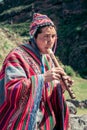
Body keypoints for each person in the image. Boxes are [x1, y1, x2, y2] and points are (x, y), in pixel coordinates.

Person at [0, 13, 72, 130]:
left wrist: (61, 87)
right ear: (34, 37)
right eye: (46, 36)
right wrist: (42, 78)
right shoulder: (16, 56)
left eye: (53, 36)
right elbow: (11, 89)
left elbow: (48, 91)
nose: (50, 41)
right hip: (21, 121)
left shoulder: (48, 58)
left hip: (44, 121)